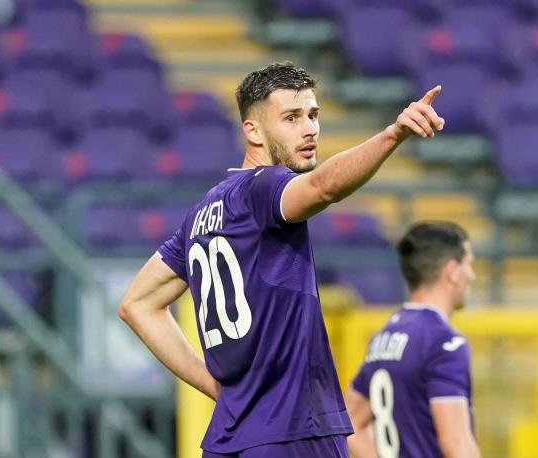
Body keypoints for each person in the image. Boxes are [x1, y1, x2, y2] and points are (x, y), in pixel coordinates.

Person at [117, 61, 445, 458]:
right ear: (252, 130)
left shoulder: (202, 214)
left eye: (313, 115)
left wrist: (215, 386)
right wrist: (394, 134)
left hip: (227, 440)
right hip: (293, 431)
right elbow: (323, 187)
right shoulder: (264, 187)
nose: (309, 128)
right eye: (291, 118)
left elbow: (137, 303)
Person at [346, 222, 481, 458]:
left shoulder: (384, 336)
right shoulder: (444, 342)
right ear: (452, 271)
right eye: (468, 263)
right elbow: (456, 442)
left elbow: (349, 422)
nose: (472, 274)